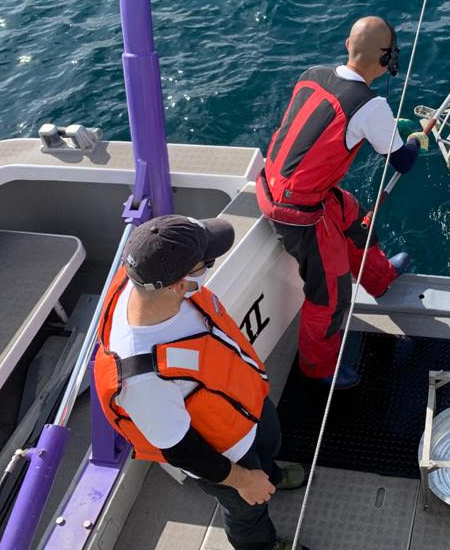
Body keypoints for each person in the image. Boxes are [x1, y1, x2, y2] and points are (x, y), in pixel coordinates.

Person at [94, 215, 310, 550]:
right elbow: (183, 451)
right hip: (227, 456)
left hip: (249, 405)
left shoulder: (147, 277)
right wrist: (245, 481)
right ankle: (261, 544)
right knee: (246, 510)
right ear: (180, 285)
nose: (210, 265)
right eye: (205, 262)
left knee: (269, 444)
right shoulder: (143, 379)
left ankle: (271, 473)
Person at [256, 16, 428, 389]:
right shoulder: (372, 105)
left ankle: (379, 278)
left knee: (354, 219)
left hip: (279, 186)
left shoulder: (312, 73)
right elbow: (403, 161)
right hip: (298, 212)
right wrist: (415, 141)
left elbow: (327, 126)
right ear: (386, 59)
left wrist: (385, 126)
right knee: (330, 294)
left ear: (348, 43)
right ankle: (318, 367)